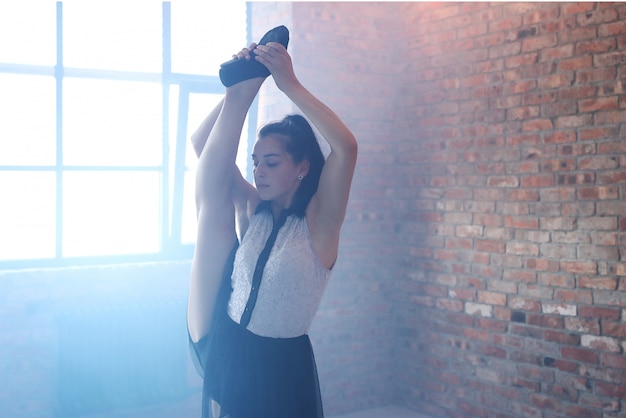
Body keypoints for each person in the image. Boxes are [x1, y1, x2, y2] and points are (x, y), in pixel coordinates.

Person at [187, 26, 357, 418]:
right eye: (255, 162)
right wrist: (246, 84)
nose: (259, 171)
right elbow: (202, 145)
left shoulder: (320, 223)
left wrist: (287, 83)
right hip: (230, 342)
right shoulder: (252, 209)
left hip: (280, 366)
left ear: (301, 168)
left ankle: (243, 89)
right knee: (211, 197)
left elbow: (346, 148)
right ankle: (240, 91)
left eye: (272, 162)